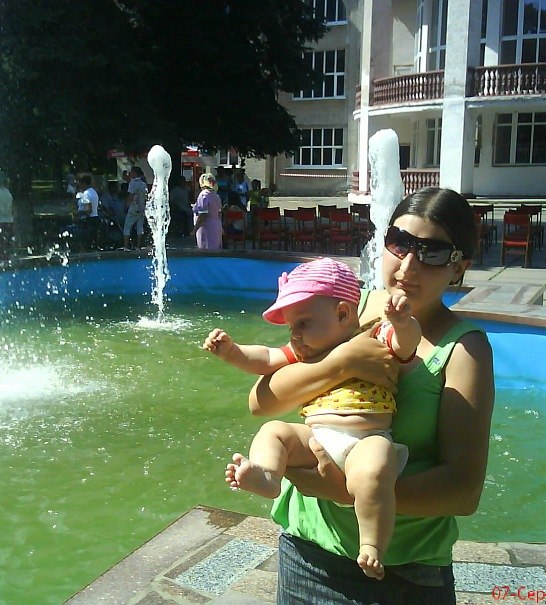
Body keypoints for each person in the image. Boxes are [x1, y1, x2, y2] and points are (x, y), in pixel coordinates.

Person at [251, 187, 494, 603]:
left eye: (433, 252)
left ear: (459, 267)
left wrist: (349, 492)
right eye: (400, 243)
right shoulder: (346, 308)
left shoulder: (463, 349)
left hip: (406, 572)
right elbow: (261, 401)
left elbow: (463, 490)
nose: (408, 265)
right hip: (307, 553)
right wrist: (341, 362)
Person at [204, 258, 421, 579]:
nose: (295, 335)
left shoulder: (374, 336)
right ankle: (267, 477)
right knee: (274, 431)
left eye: (303, 323)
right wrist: (232, 352)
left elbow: (406, 345)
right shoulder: (303, 351)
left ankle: (372, 545)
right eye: (291, 327)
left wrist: (402, 323)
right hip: (317, 438)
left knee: (375, 470)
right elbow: (266, 358)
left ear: (343, 313)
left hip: (367, 439)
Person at [192, 173, 223, 250]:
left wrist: (194, 230)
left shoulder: (203, 195)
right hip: (216, 225)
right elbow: (219, 213)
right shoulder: (216, 195)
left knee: (206, 250)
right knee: (215, 250)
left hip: (207, 227)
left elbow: (203, 215)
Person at [122, 166, 148, 250]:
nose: (131, 174)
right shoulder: (143, 184)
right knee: (140, 227)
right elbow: (146, 197)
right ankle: (139, 245)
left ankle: (126, 246)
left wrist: (126, 204)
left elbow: (131, 195)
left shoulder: (132, 183)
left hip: (133, 207)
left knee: (127, 227)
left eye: (132, 172)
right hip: (141, 208)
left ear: (135, 173)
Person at [74, 173, 101, 251]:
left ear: (84, 183)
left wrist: (78, 213)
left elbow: (88, 209)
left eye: (79, 183)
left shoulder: (86, 194)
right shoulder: (93, 192)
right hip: (95, 218)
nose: (78, 185)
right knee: (93, 242)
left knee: (85, 242)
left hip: (87, 221)